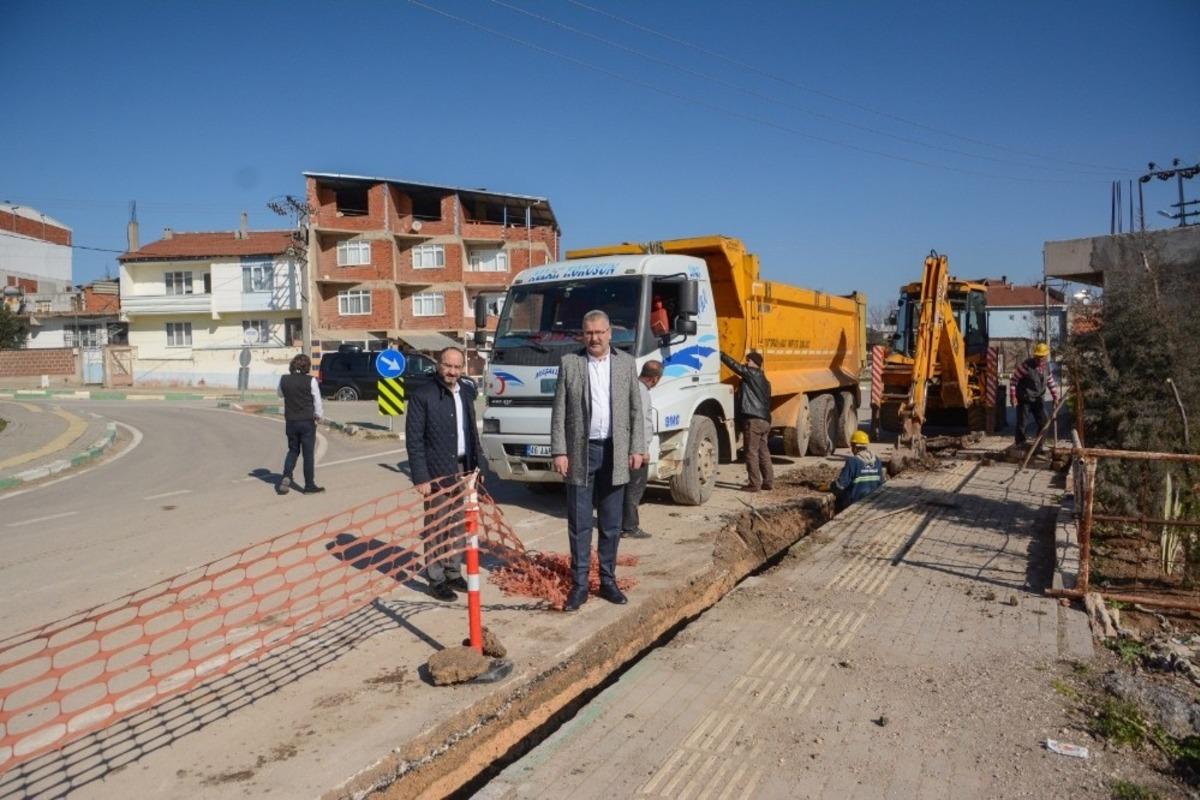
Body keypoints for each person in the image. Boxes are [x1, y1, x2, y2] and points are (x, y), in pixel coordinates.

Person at [552, 310, 646, 611]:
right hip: (581, 453)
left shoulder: (625, 363)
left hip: (614, 452)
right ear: (583, 334)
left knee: (611, 523)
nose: (594, 338)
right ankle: (580, 585)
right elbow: (559, 411)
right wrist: (559, 451)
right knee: (579, 523)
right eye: (589, 332)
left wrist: (637, 447)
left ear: (610, 333)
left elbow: (635, 409)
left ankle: (608, 581)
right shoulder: (570, 363)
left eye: (599, 332)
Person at [405, 346, 485, 602]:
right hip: (437, 472)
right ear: (438, 365)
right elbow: (414, 440)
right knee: (437, 526)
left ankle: (453, 571)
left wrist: (478, 466)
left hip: (464, 469)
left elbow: (472, 432)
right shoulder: (423, 395)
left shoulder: (466, 392)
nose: (452, 371)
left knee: (459, 525)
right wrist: (421, 477)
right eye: (448, 366)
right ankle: (436, 579)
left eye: (457, 367)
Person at [719, 350, 773, 492]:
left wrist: (720, 354)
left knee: (751, 452)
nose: (746, 363)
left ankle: (754, 484)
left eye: (748, 361)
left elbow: (735, 366)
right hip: (765, 421)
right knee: (763, 452)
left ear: (755, 363)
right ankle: (768, 482)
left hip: (753, 420)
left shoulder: (752, 373)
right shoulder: (766, 381)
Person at [621, 360, 662, 540]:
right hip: (635, 449)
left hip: (624, 445)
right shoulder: (642, 392)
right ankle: (630, 527)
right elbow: (641, 422)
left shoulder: (629, 386)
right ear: (655, 378)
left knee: (623, 487)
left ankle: (620, 522)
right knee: (635, 487)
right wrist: (643, 449)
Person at [276, 353, 324, 495]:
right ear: (307, 367)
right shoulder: (311, 381)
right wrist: (318, 416)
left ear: (292, 365)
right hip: (307, 421)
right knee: (308, 454)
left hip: (291, 421)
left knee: (293, 450)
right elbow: (317, 401)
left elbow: (280, 394)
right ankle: (309, 486)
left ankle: (286, 475)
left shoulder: (284, 379)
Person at [1009, 342, 1060, 449]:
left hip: (1038, 399)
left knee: (1044, 421)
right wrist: (1013, 397)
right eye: (1037, 357)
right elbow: (1014, 380)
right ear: (1035, 355)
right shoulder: (1026, 366)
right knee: (1022, 424)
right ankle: (1020, 443)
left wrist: (1055, 397)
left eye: (1042, 357)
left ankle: (1038, 444)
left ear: (1046, 356)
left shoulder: (1047, 367)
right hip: (1025, 398)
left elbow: (1050, 382)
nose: (1039, 359)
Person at [831, 430, 886, 510]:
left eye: (852, 446)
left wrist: (832, 486)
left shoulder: (853, 461)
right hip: (873, 503)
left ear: (855, 447)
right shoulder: (877, 461)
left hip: (855, 502)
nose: (851, 449)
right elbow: (881, 484)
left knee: (839, 499)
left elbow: (841, 485)